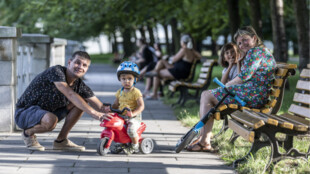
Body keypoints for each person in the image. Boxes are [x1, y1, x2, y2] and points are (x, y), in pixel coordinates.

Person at [186, 26, 276, 152]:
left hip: (252, 96)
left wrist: (228, 85)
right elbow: (245, 76)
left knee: (206, 95)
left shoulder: (256, 52)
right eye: (239, 43)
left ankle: (204, 140)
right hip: (253, 94)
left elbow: (244, 76)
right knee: (207, 95)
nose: (242, 44)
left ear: (254, 38)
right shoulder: (261, 51)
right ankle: (203, 138)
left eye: (245, 40)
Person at [15, 51, 113, 151]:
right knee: (51, 120)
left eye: (84, 65)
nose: (80, 67)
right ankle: (27, 134)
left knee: (82, 101)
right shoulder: (56, 71)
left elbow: (100, 107)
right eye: (77, 62)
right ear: (69, 62)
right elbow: (69, 93)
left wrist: (122, 107)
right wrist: (94, 113)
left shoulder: (80, 85)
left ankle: (61, 141)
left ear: (87, 69)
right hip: (25, 113)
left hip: (48, 113)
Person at [145, 34, 202, 100]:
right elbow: (200, 56)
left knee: (157, 73)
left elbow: (174, 59)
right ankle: (154, 73)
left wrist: (171, 57)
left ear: (182, 42)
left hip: (179, 72)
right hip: (180, 70)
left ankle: (154, 93)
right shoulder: (192, 51)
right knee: (161, 62)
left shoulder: (184, 49)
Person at [110, 61, 145, 153]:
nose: (126, 81)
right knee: (116, 128)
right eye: (123, 78)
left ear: (135, 80)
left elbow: (141, 106)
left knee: (131, 130)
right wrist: (109, 109)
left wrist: (133, 113)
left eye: (130, 78)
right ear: (120, 79)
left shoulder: (136, 92)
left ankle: (135, 145)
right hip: (122, 116)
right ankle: (122, 142)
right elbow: (115, 105)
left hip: (134, 117)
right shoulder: (119, 92)